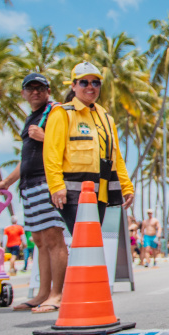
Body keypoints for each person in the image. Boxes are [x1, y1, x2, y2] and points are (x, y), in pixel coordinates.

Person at [0, 72, 69, 313]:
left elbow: (68, 146)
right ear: (23, 93)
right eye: (31, 88)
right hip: (29, 184)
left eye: (40, 88)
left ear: (48, 91)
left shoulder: (55, 112)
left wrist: (44, 136)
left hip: (48, 181)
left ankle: (57, 294)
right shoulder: (31, 118)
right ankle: (42, 293)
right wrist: (6, 181)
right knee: (39, 240)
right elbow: (25, 157)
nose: (35, 92)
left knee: (53, 237)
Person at [43, 62, 134, 233]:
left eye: (95, 82)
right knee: (84, 238)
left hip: (100, 194)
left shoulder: (107, 119)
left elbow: (116, 157)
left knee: (90, 242)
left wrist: (126, 186)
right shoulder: (62, 113)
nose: (90, 87)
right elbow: (51, 154)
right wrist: (56, 186)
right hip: (71, 195)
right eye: (84, 82)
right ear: (74, 86)